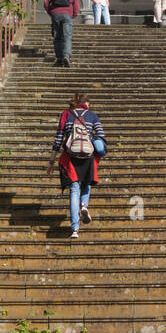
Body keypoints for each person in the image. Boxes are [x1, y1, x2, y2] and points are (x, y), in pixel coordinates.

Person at [51, 92, 105, 238]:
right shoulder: (92, 116)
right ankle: (84, 206)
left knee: (74, 190)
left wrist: (52, 160)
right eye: (89, 103)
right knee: (86, 184)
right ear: (85, 104)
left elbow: (58, 138)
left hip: (71, 156)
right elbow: (101, 135)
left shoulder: (66, 114)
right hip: (88, 156)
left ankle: (75, 228)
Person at [44, 0, 80, 66]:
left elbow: (46, 3)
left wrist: (51, 13)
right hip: (67, 15)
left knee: (57, 37)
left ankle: (59, 58)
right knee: (66, 37)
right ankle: (66, 56)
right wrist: (73, 16)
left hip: (55, 15)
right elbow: (77, 6)